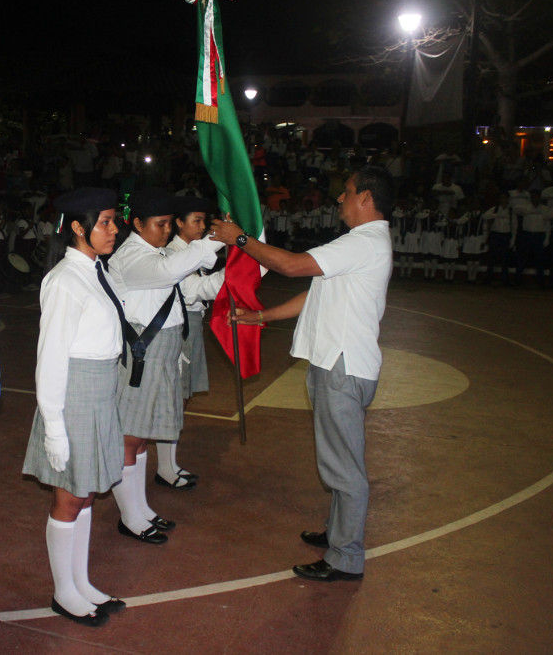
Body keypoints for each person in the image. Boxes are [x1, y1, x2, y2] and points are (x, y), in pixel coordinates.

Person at [209, 166, 394, 582]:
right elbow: (315, 291)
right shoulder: (360, 245)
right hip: (338, 363)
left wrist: (240, 238)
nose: (340, 200)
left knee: (344, 468)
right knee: (339, 457)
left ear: (366, 197)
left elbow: (292, 266)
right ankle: (337, 533)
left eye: (346, 193)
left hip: (342, 367)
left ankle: (345, 556)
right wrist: (261, 316)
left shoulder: (364, 242)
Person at [21, 187, 127, 627]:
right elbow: (50, 357)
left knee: (84, 496)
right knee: (69, 498)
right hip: (74, 396)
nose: (114, 229)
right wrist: (54, 428)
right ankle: (64, 592)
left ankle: (81, 583)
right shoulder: (65, 280)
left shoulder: (96, 271)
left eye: (113, 220)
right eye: (104, 222)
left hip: (100, 391)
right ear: (78, 228)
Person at [108, 187, 223, 543]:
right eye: (158, 225)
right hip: (142, 358)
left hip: (161, 355)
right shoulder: (130, 257)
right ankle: (130, 517)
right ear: (137, 223)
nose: (166, 231)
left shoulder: (153, 250)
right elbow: (171, 268)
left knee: (141, 437)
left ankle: (140, 508)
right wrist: (219, 239)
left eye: (167, 225)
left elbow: (188, 277)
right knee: (130, 438)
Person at [158, 196, 225, 489]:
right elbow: (195, 291)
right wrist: (232, 275)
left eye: (204, 221)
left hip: (193, 324)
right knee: (175, 396)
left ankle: (169, 464)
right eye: (195, 221)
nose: (201, 227)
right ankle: (165, 467)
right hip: (182, 326)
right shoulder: (175, 254)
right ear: (179, 223)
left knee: (182, 397)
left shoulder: (191, 252)